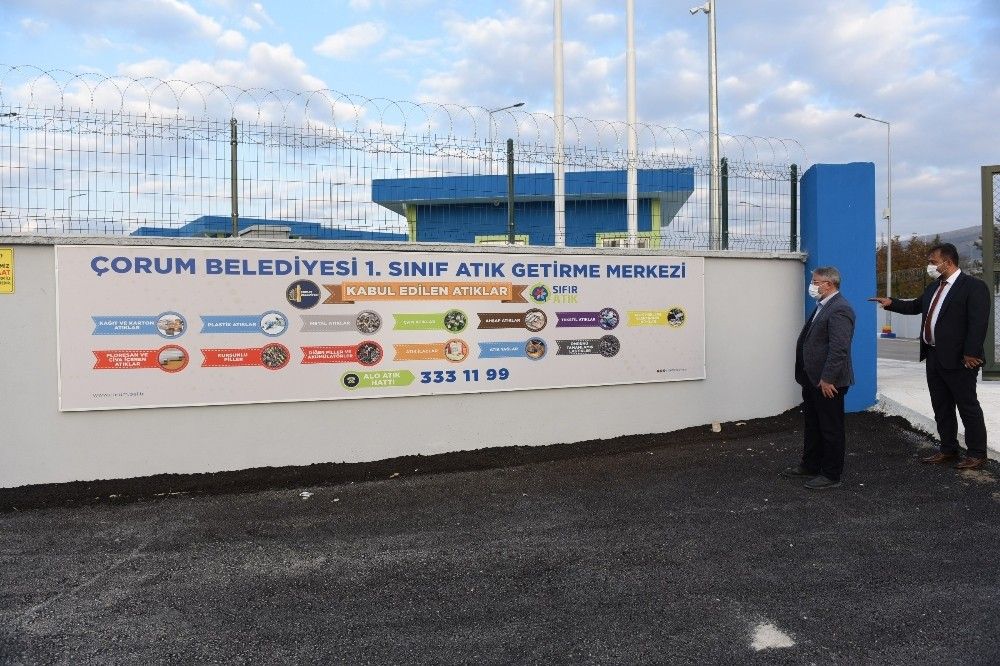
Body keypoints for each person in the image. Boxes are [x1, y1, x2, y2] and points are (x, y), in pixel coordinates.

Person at [869, 243, 991, 470]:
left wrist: (971, 353)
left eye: (933, 262)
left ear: (948, 262)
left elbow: (978, 322)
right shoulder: (934, 287)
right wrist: (891, 303)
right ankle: (948, 449)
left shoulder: (973, 287)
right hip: (934, 356)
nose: (930, 266)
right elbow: (916, 306)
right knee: (941, 406)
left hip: (961, 360)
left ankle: (977, 453)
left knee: (967, 407)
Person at [785, 266, 856, 489]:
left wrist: (828, 378)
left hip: (828, 382)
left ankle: (831, 474)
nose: (812, 286)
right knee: (813, 424)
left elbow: (839, 348)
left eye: (815, 282)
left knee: (830, 428)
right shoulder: (823, 305)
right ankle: (811, 465)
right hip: (812, 378)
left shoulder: (840, 309)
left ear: (829, 284)